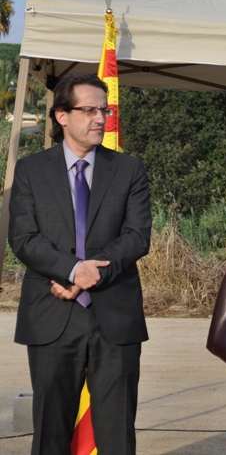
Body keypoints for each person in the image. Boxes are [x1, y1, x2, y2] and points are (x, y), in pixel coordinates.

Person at [9, 73, 152, 455]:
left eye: (103, 110)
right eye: (88, 110)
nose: (99, 119)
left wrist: (90, 275)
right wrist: (72, 271)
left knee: (117, 435)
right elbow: (23, 238)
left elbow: (137, 236)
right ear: (61, 116)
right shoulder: (31, 171)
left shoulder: (129, 169)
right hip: (52, 318)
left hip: (115, 318)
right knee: (51, 436)